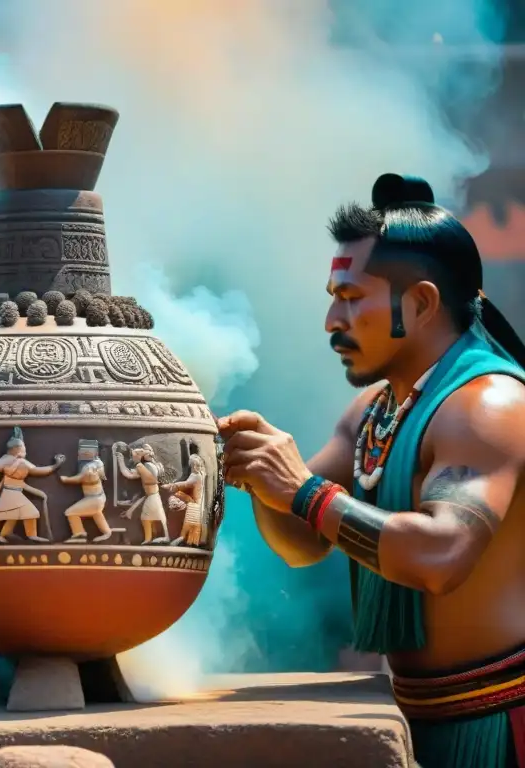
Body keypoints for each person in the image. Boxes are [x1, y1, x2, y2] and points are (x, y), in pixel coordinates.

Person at [217, 174, 525, 768]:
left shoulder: (489, 406)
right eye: (333, 295)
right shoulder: (375, 411)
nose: (333, 319)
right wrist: (263, 481)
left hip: (501, 727)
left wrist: (301, 490)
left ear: (422, 303)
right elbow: (302, 544)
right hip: (417, 718)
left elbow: (441, 556)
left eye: (352, 297)